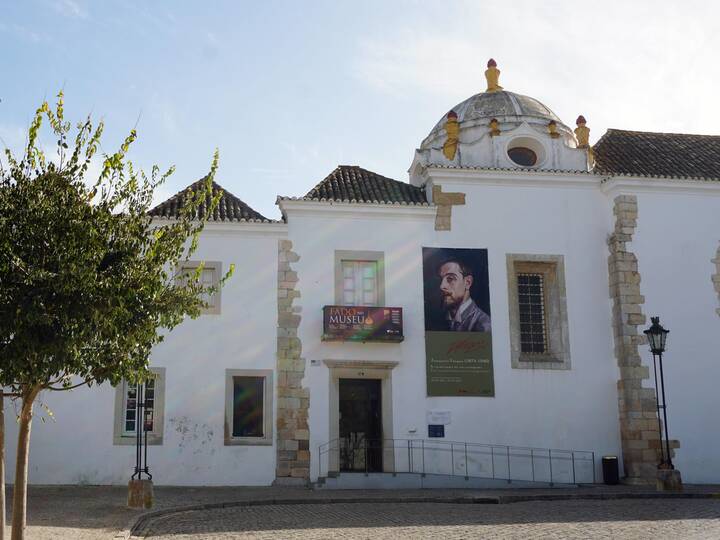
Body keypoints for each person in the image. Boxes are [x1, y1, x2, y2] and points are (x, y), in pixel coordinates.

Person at [437, 259, 491, 332]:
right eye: (440, 280)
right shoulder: (439, 319)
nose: (442, 286)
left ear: (468, 282)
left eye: (450, 278)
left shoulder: (483, 325)